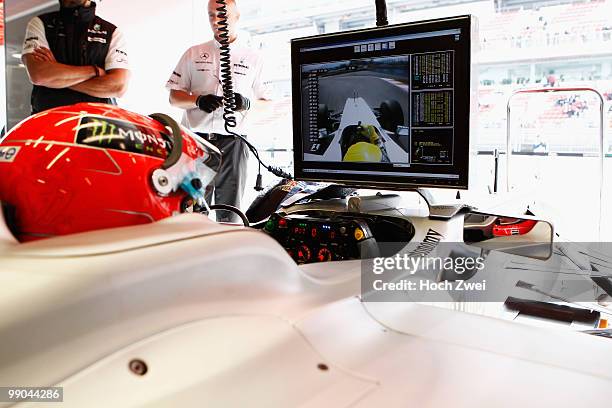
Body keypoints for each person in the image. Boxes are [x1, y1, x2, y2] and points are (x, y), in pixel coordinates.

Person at [166, 0, 272, 222]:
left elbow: (268, 103)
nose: (216, 21)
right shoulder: (193, 53)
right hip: (196, 142)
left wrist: (248, 103)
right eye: (211, 15)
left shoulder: (254, 57)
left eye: (221, 15)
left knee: (230, 212)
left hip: (234, 144)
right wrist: (198, 100)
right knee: (192, 210)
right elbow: (174, 97)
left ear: (236, 16)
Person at [22, 0, 130, 114]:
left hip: (98, 123)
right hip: (50, 122)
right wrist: (94, 71)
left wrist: (57, 78)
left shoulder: (111, 31)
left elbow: (118, 86)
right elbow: (39, 75)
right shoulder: (41, 23)